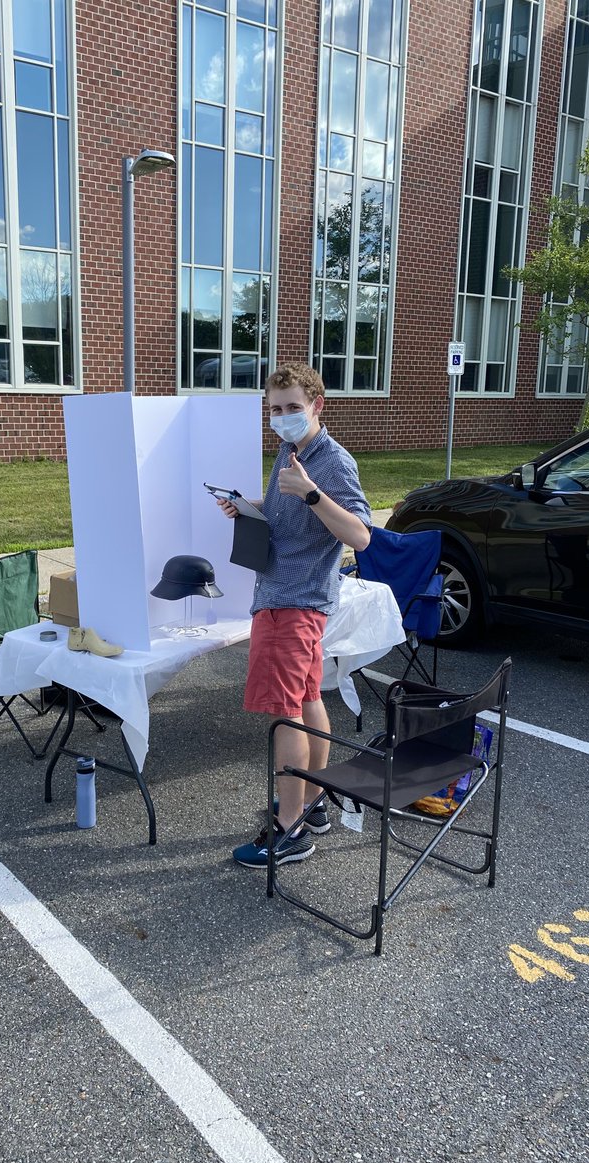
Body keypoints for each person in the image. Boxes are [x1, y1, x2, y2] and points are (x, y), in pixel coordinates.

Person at [216, 363, 372, 868]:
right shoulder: (291, 451)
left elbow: (360, 535)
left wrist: (311, 492)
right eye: (275, 409)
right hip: (288, 598)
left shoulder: (332, 462)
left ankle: (289, 830)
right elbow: (291, 514)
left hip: (293, 605)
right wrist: (251, 506)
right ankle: (311, 802)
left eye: (292, 408)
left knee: (285, 713)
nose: (282, 417)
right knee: (307, 700)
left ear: (317, 406)